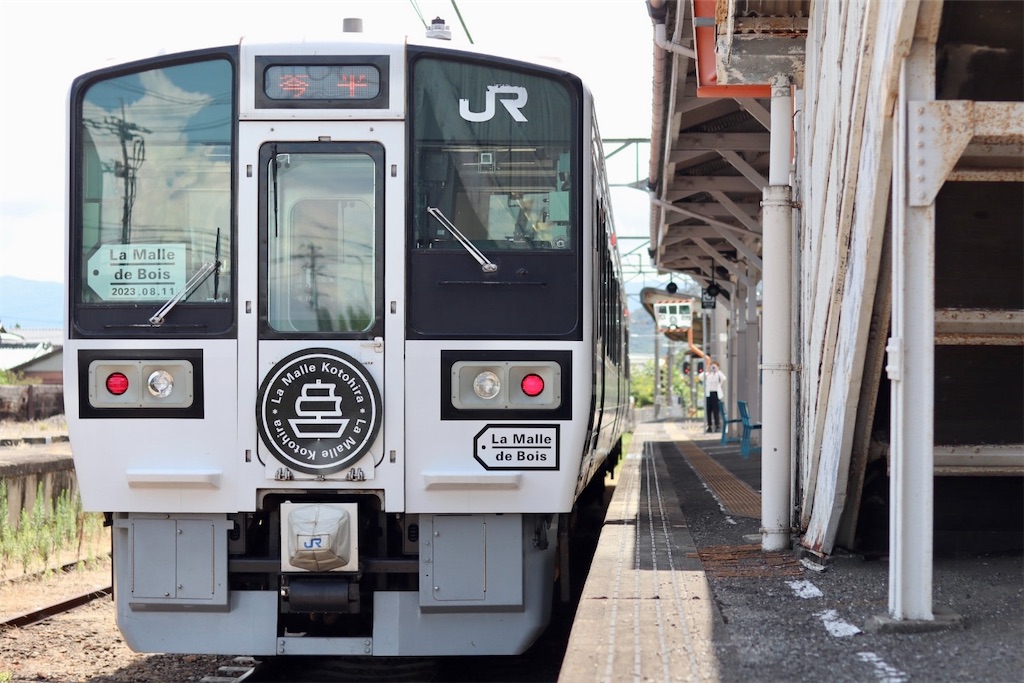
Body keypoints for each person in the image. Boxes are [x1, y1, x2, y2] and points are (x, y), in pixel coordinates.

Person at [700, 361, 726, 433]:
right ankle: (709, 426)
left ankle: (717, 425)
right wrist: (707, 370)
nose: (713, 368)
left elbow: (723, 378)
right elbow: (701, 377)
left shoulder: (718, 374)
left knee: (716, 411)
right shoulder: (708, 375)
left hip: (716, 394)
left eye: (714, 366)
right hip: (708, 394)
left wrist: (717, 371)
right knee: (708, 411)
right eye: (712, 366)